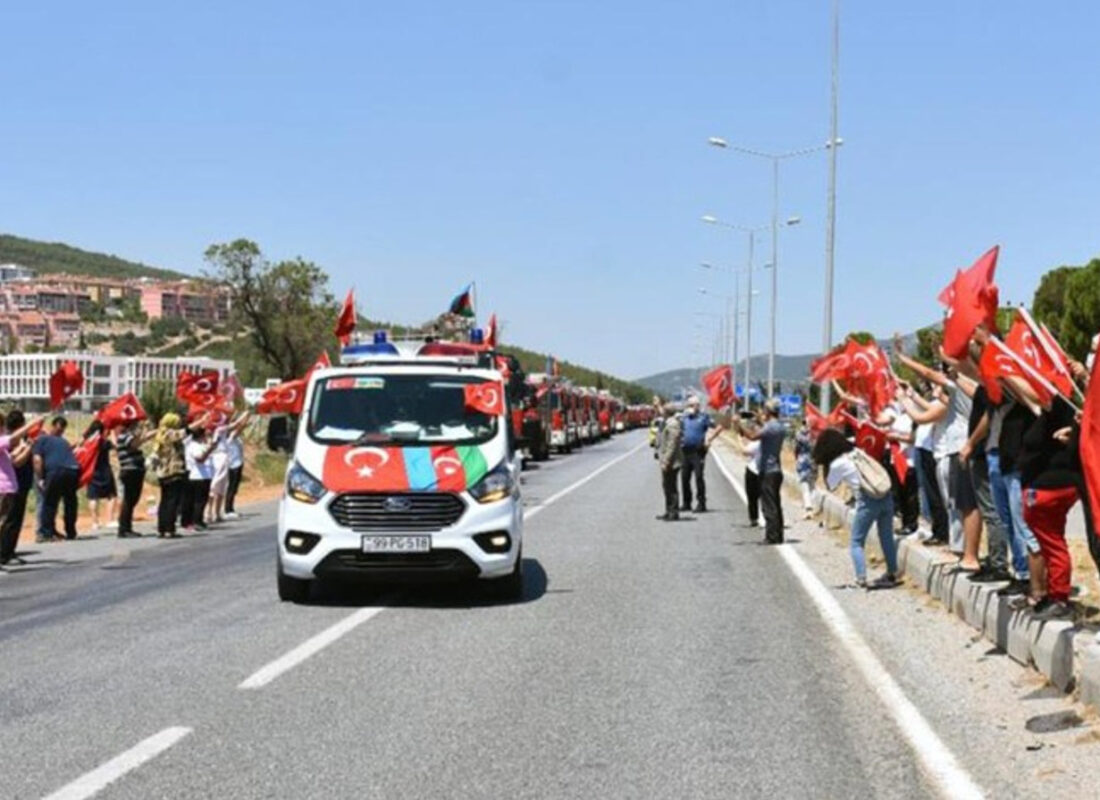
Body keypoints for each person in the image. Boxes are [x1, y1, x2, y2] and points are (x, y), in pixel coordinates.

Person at [813, 427, 900, 589]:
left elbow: (831, 486)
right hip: (885, 495)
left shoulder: (838, 463)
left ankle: (861, 578)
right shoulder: (857, 452)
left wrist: (825, 467)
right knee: (886, 536)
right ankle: (892, 573)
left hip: (867, 501)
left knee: (856, 542)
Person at [1018, 396, 1080, 620]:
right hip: (1053, 486)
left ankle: (1059, 597)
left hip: (1049, 487)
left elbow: (1031, 391)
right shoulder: (1052, 411)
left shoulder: (1059, 405)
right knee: (1052, 543)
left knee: (1053, 545)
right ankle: (1055, 593)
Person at [736, 398, 786, 544]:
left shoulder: (771, 427)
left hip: (768, 471)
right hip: (776, 469)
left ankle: (772, 536)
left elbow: (752, 436)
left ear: (769, 411)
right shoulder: (779, 426)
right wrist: (758, 419)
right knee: (776, 504)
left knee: (768, 506)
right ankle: (778, 534)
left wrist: (739, 424)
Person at [0, 411, 43, 565]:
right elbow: (12, 441)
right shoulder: (4, 440)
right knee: (7, 522)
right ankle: (4, 554)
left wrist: (27, 446)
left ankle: (7, 553)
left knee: (9, 521)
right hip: (5, 488)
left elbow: (12, 459)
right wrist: (32, 424)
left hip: (12, 487)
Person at [152, 412, 204, 538]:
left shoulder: (160, 434)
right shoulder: (168, 433)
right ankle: (169, 529)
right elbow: (184, 432)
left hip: (163, 472)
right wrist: (201, 421)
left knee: (165, 501)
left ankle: (162, 528)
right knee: (172, 502)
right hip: (173, 471)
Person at [32, 416, 80, 542]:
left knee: (49, 502)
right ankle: (71, 531)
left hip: (56, 471)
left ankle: (46, 533)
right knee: (70, 501)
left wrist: (41, 478)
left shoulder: (41, 440)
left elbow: (37, 460)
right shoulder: (63, 441)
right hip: (73, 469)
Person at [679, 395, 720, 513]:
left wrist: (709, 439)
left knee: (698, 477)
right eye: (689, 405)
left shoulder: (703, 417)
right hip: (685, 451)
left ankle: (701, 503)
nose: (691, 408)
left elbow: (718, 427)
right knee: (684, 478)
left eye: (693, 405)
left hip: (698, 452)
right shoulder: (683, 418)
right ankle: (687, 503)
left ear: (698, 406)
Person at [117, 420, 155, 538]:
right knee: (129, 500)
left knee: (133, 499)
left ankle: (127, 527)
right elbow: (135, 444)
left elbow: (140, 440)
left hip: (136, 470)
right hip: (130, 470)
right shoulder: (125, 436)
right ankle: (124, 528)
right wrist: (142, 432)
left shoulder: (129, 436)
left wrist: (152, 432)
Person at [83, 419, 118, 531]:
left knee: (93, 497)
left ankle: (95, 522)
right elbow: (115, 446)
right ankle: (110, 519)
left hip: (91, 471)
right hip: (104, 470)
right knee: (111, 495)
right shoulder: (103, 442)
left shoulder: (87, 441)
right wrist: (112, 433)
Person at [185, 425, 217, 530]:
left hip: (205, 475)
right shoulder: (193, 446)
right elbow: (199, 458)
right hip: (197, 476)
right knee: (199, 500)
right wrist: (209, 450)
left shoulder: (200, 444)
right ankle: (196, 521)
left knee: (203, 499)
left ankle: (200, 520)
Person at [655, 403, 682, 521]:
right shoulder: (667, 421)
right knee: (667, 486)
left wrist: (666, 460)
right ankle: (668, 510)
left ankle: (673, 512)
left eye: (664, 411)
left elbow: (672, 444)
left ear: (667, 412)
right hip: (667, 460)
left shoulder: (673, 424)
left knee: (671, 486)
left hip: (672, 461)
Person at [223, 415, 247, 518]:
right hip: (233, 465)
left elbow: (242, 426)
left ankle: (231, 508)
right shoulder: (230, 437)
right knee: (231, 487)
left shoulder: (236, 438)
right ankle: (228, 510)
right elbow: (240, 426)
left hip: (239, 463)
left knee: (235, 488)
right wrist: (247, 413)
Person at [794, 420, 816, 519]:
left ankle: (808, 508)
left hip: (802, 461)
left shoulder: (799, 434)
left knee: (804, 485)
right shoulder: (816, 435)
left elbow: (796, 448)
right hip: (814, 461)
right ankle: (811, 506)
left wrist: (796, 457)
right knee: (812, 485)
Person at [741, 436, 762, 527]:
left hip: (753, 471)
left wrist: (740, 441)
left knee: (752, 497)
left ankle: (754, 518)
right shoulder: (766, 442)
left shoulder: (757, 444)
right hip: (763, 471)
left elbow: (744, 451)